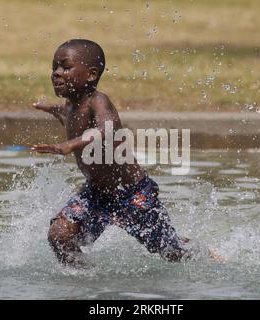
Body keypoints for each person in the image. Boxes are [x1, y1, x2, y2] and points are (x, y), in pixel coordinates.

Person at [32, 39, 202, 264]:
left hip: (131, 193)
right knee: (59, 236)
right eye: (54, 67)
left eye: (65, 67)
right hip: (96, 194)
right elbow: (68, 113)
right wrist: (52, 109)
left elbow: (107, 129)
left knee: (170, 252)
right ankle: (85, 281)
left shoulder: (98, 101)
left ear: (91, 74)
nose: (56, 73)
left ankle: (201, 252)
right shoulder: (70, 105)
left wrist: (69, 145)